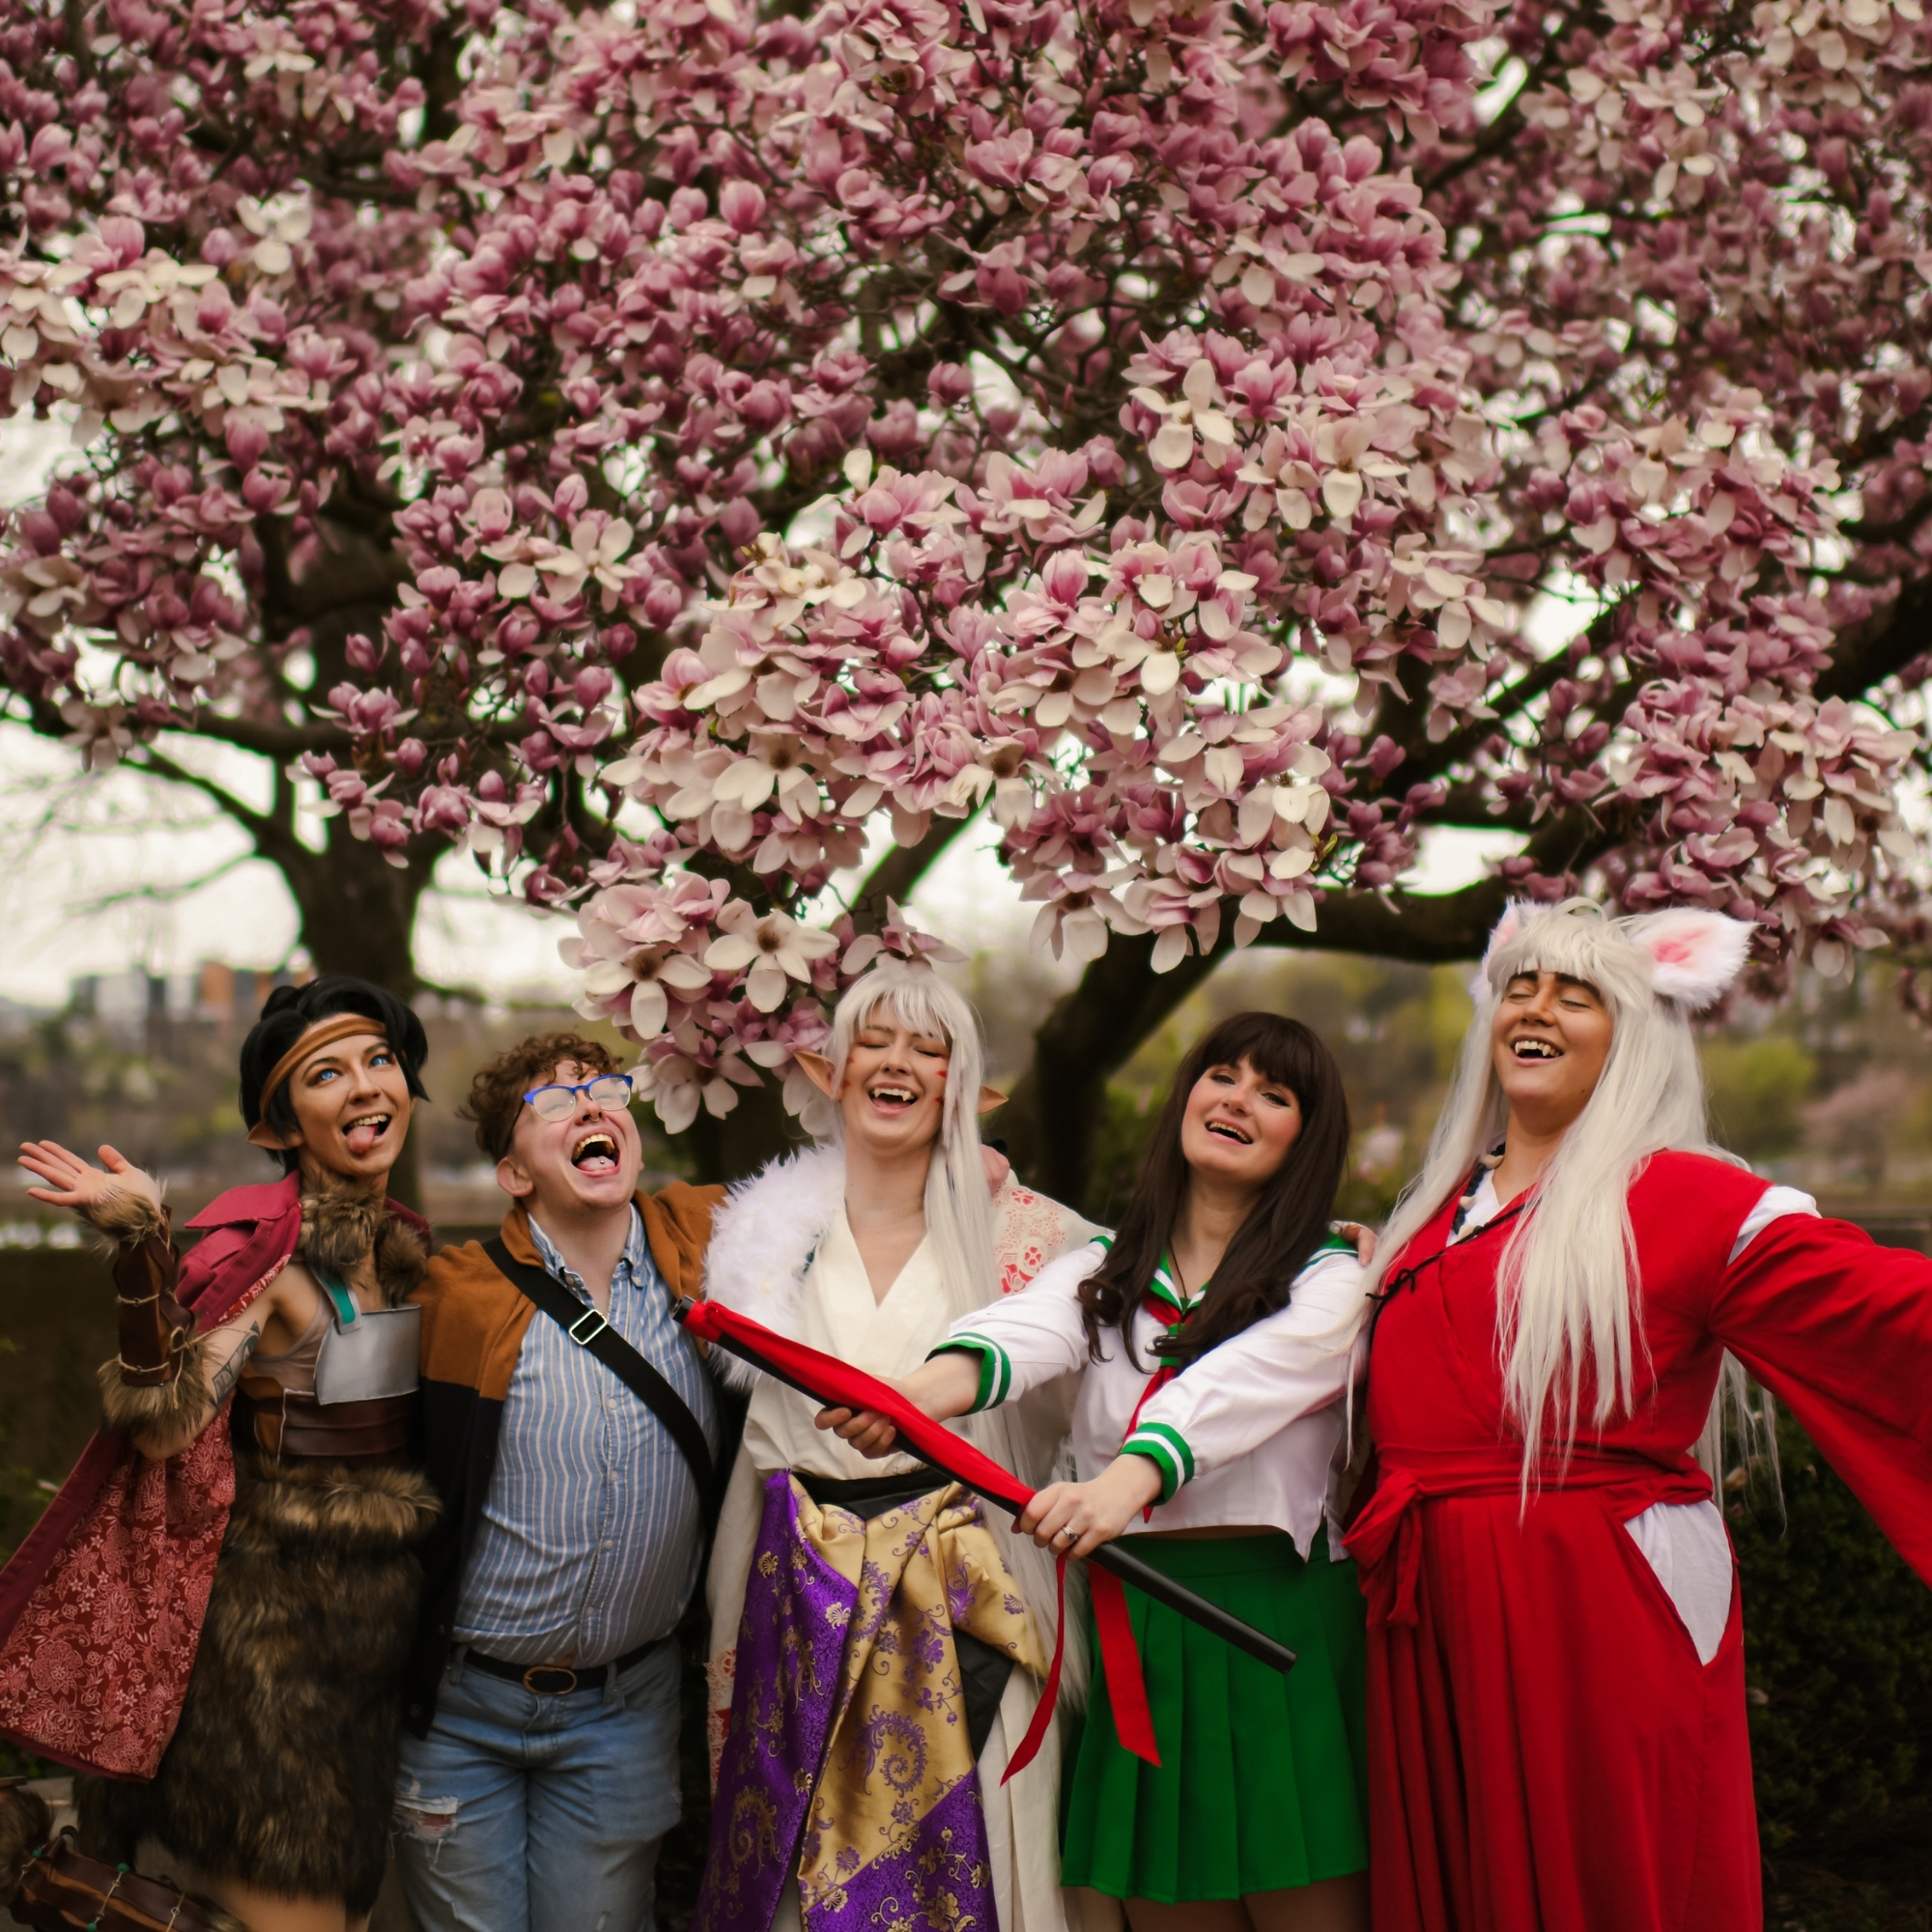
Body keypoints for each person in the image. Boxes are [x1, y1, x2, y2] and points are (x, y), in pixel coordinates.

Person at [1346, 897, 1932, 1932]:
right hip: (1428, 1607)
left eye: (1578, 994)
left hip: (1594, 1602)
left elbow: (1888, 1311)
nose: (1536, 1006)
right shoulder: (1433, 1212)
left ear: (1632, 1038)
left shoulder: (1685, 1199)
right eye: (1519, 985)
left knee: (1613, 1875)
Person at [827, 1009, 1372, 1932]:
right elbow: (1023, 1333)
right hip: (1138, 1622)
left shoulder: (1332, 1278)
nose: (1238, 1100)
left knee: (1307, 1909)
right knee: (1162, 1913)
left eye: (1274, 1095)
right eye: (1222, 1076)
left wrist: (1123, 1481)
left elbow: (1243, 1383)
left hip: (1278, 1625)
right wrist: (907, 1395)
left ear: (1304, 1138)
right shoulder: (1104, 1271)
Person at [0, 976, 440, 1932]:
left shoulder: (407, 1249)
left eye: (380, 1060)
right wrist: (140, 1250)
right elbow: (160, 1421)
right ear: (279, 1126)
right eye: (327, 1072)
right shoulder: (265, 1261)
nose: (366, 1085)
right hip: (266, 1656)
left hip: (372, 1642)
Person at [694, 959, 1102, 1932]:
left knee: (982, 1855)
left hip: (965, 1595)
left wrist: (1319, 1249)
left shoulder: (1031, 1236)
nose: (898, 1062)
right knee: (796, 1872)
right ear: (831, 1069)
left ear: (961, 1086)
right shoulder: (763, 1236)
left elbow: (1170, 1284)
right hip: (800, 1591)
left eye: (929, 1047)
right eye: (873, 1039)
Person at [394, 1031, 723, 1932]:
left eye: (608, 1089)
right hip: (463, 1708)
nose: (590, 1105)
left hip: (625, 1711)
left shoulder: (711, 1250)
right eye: (553, 1102)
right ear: (512, 1173)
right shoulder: (449, 1297)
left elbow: (849, 1193)